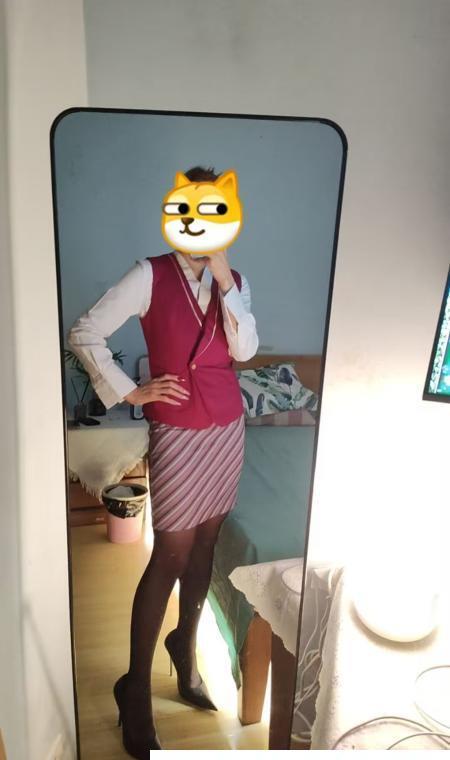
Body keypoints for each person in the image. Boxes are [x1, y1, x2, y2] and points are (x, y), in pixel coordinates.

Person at [67, 166, 259, 756]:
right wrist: (131, 391)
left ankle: (185, 649)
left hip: (226, 429)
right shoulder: (149, 274)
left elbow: (245, 349)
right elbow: (85, 332)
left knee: (206, 544)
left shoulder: (235, 281)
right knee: (169, 554)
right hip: (177, 430)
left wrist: (224, 279)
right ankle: (135, 690)